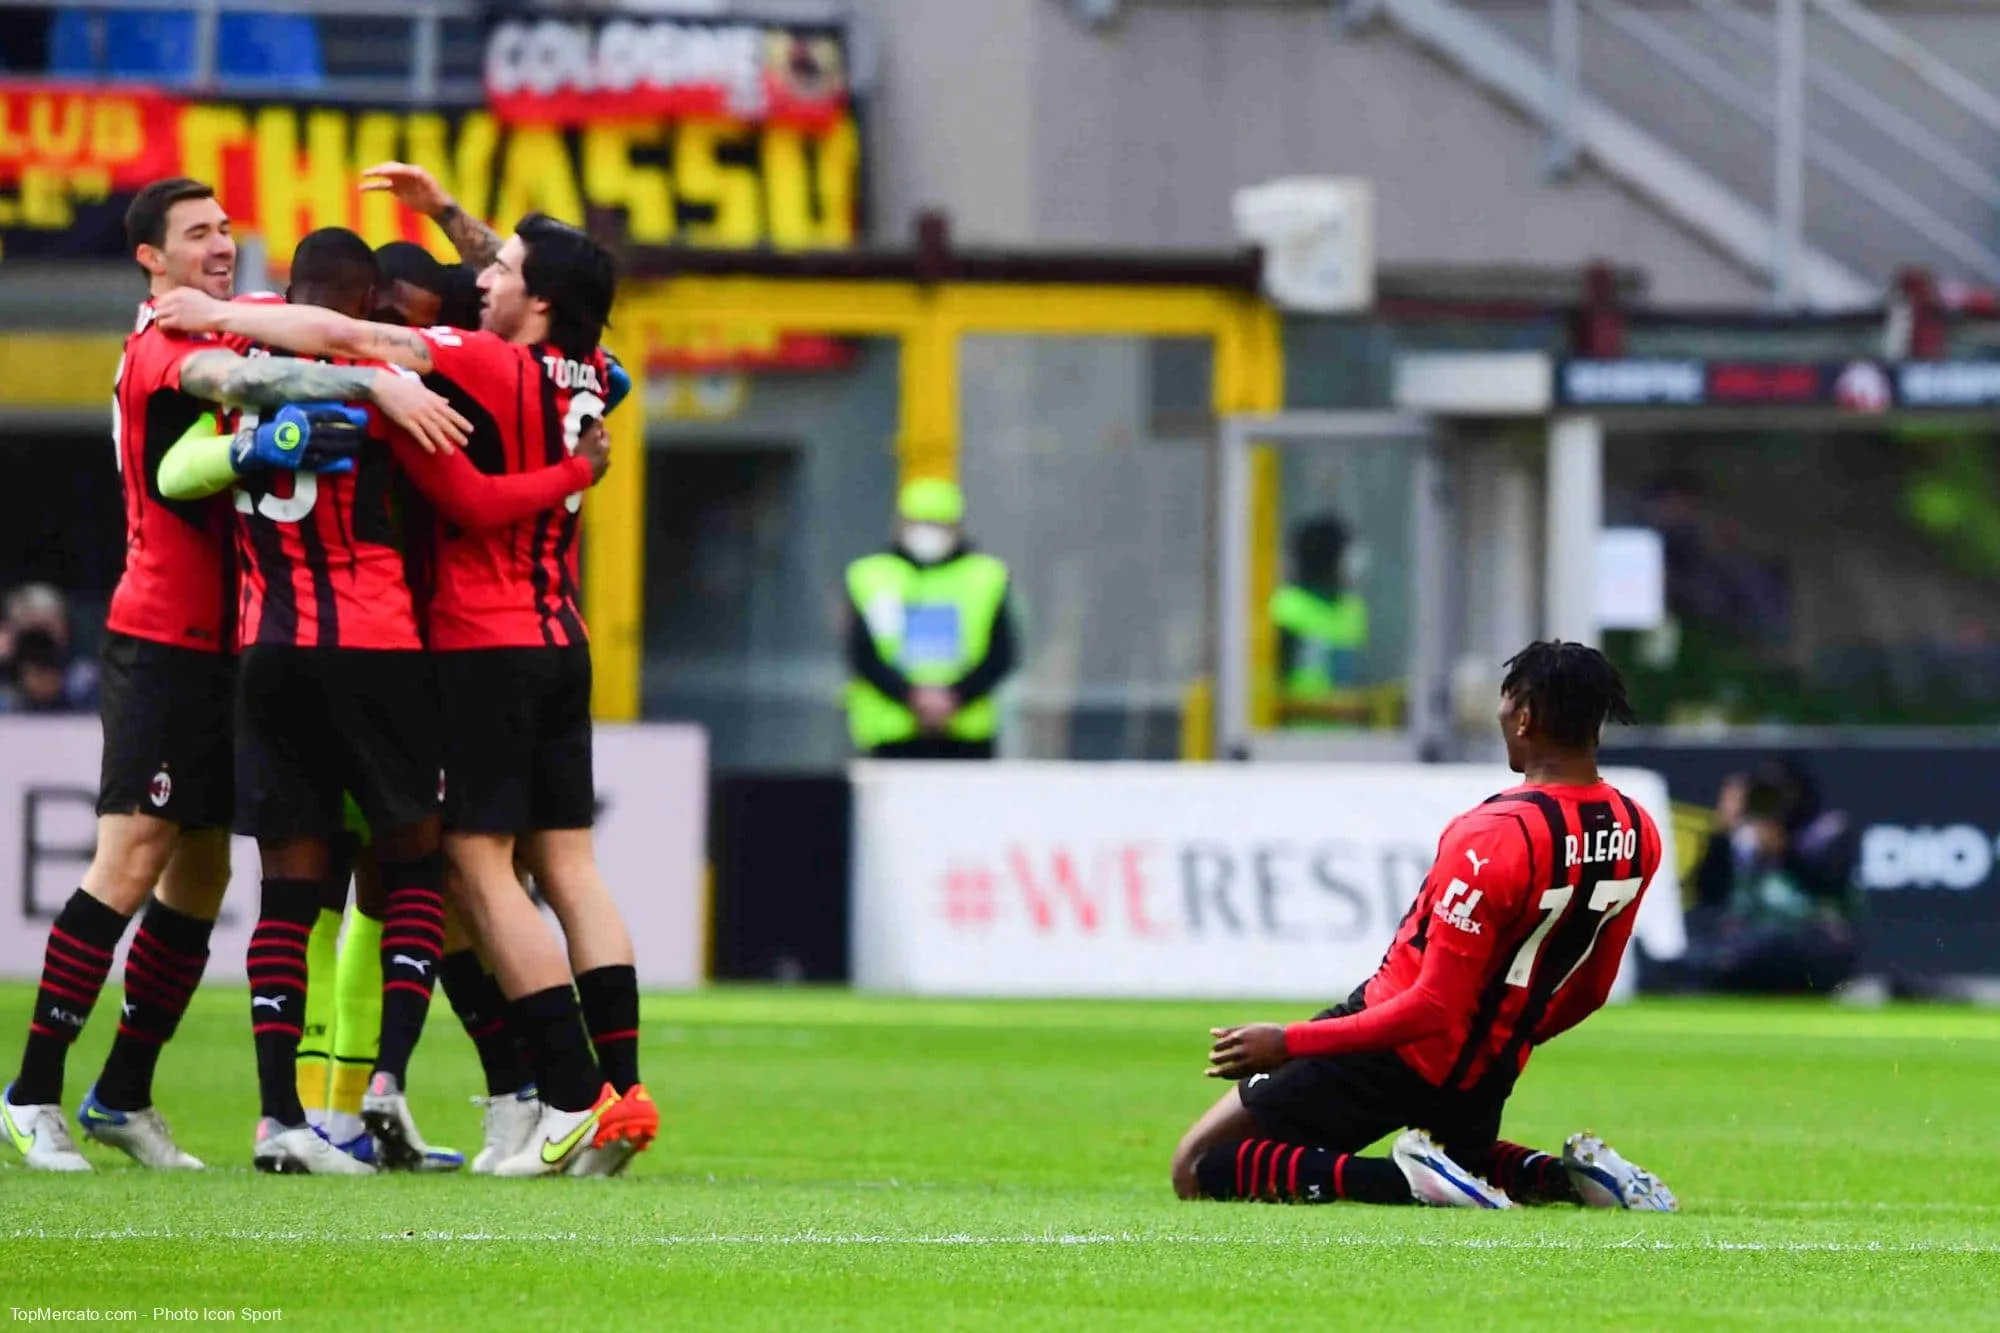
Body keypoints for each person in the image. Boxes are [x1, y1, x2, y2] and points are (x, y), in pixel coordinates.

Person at [156, 167, 658, 1176]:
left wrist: (213, 311)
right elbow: (535, 290)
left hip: (481, 647)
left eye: (504, 267)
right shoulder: (596, 372)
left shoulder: (474, 361)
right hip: (564, 639)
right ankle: (621, 1088)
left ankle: (566, 1096)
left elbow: (367, 345)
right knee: (566, 868)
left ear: (537, 299)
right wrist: (445, 218)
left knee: (469, 870)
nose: (488, 275)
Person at [0, 176, 468, 1174]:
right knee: (129, 858)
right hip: (163, 638)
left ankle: (122, 1093)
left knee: (202, 875)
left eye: (223, 230)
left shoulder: (229, 312)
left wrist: (373, 350)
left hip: (238, 644)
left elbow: (311, 323)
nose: (218, 246)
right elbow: (247, 387)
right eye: (196, 235)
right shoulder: (163, 349)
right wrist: (366, 380)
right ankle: (30, 1091)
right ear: (149, 258)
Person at [1170, 641, 1678, 1211]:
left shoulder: (1493, 836)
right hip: (1486, 1070)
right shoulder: (1637, 829)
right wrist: (1500, 1039)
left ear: (1527, 716)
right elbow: (1590, 988)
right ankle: (1566, 1180)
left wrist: (1288, 1042)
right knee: (1466, 1157)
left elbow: (1431, 1006)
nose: (1502, 717)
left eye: (1507, 704)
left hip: (1391, 1047)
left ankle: (1411, 1186)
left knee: (1198, 1164)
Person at [844, 478, 1017, 760]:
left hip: (967, 736)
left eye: (938, 523)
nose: (928, 532)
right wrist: (911, 696)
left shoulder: (986, 577)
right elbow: (862, 654)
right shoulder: (871, 576)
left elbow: (1002, 654)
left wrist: (956, 696)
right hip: (890, 734)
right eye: (919, 522)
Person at [1661, 759, 1858, 995]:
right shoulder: (1741, 837)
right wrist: (1722, 831)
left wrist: (1784, 851)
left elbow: (1830, 889)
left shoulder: (1826, 831)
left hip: (1813, 944)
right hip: (1745, 944)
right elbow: (1708, 893)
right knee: (1682, 963)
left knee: (1773, 947)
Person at [1270, 515, 1383, 729]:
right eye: (1348, 553)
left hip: (1350, 742)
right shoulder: (1286, 608)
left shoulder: (1354, 610)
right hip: (1297, 742)